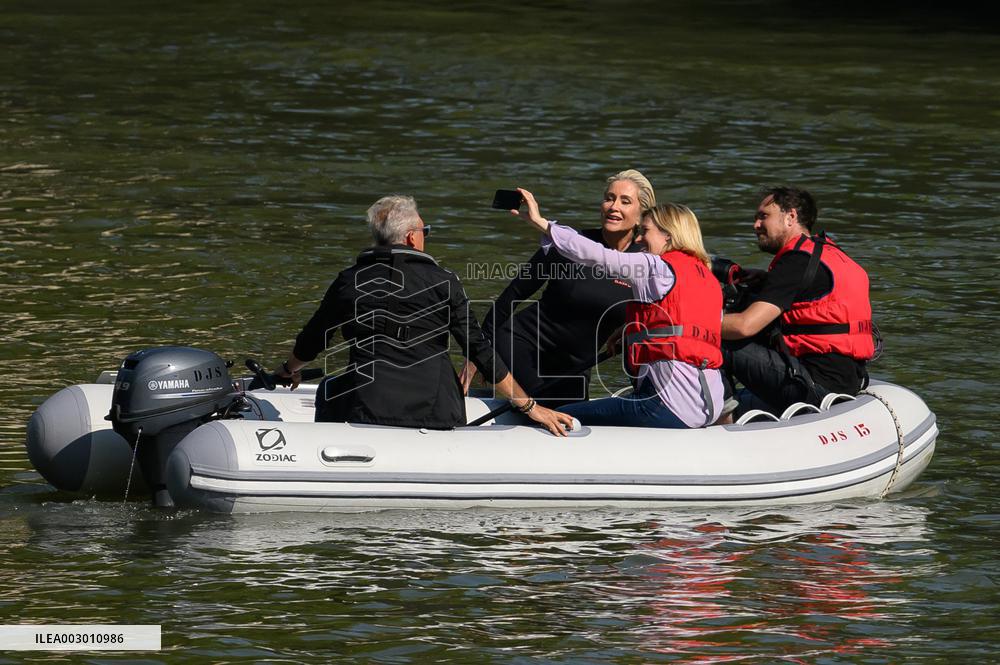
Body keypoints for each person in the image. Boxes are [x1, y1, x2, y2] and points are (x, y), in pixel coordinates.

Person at [273, 195, 574, 436]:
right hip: (436, 411)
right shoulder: (445, 282)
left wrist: (289, 369)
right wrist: (530, 406)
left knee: (330, 389)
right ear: (411, 238)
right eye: (424, 231)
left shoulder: (349, 281)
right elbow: (478, 349)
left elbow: (313, 339)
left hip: (366, 407)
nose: (424, 236)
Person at [507, 188, 724, 429]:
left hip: (666, 407)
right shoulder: (709, 279)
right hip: (709, 407)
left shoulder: (655, 267)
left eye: (645, 231)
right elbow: (682, 326)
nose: (639, 240)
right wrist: (631, 329)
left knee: (558, 416)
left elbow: (597, 255)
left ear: (668, 236)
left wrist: (542, 223)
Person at [460, 169, 656, 407]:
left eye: (625, 201)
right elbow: (510, 297)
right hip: (522, 346)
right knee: (549, 414)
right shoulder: (568, 244)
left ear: (641, 216)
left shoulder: (647, 264)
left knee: (570, 418)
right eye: (609, 198)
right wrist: (477, 355)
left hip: (576, 368)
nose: (613, 206)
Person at [720, 186, 874, 415]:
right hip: (848, 380)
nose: (756, 225)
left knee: (711, 339)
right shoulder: (828, 252)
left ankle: (719, 418)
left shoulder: (795, 261)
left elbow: (745, 326)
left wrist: (690, 326)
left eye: (763, 216)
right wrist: (767, 280)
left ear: (790, 217)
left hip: (814, 386)